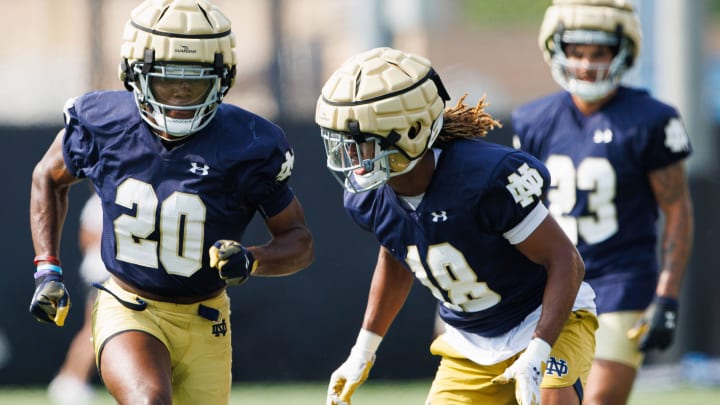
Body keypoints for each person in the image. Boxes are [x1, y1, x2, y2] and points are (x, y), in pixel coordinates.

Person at [28, 1, 314, 404]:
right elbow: (48, 176)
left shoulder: (249, 143)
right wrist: (47, 268)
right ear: (136, 76)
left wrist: (251, 259)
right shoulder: (104, 122)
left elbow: (299, 240)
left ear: (221, 79)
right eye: (167, 81)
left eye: (194, 82)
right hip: (128, 305)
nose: (180, 93)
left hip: (207, 317)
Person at [315, 46, 598, 405]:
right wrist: (362, 351)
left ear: (412, 131)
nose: (352, 157)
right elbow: (398, 254)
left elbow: (565, 261)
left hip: (544, 318)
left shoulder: (483, 180)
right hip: (471, 343)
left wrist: (538, 352)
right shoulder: (370, 198)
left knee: (552, 400)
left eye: (362, 143)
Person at [512, 1, 694, 404]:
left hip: (621, 281)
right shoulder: (533, 119)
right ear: (557, 50)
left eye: (600, 52)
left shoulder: (651, 118)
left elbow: (677, 209)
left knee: (600, 400)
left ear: (622, 52)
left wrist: (667, 294)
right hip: (556, 282)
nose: (586, 63)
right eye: (577, 51)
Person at [47, 192, 107, 405]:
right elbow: (87, 238)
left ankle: (69, 379)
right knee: (95, 329)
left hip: (105, 273)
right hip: (104, 273)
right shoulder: (98, 202)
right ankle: (71, 381)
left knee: (95, 329)